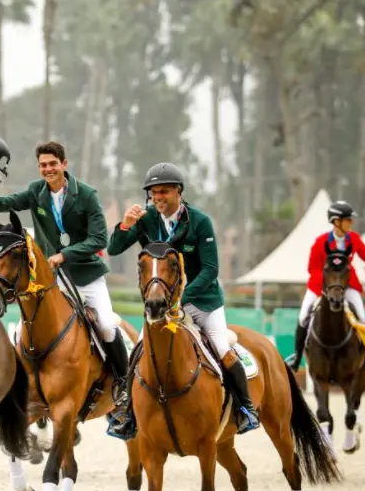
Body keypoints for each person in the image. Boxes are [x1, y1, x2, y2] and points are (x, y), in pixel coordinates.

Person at [106, 162, 260, 440]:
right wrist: (125, 224)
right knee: (138, 352)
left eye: (163, 191)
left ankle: (246, 409)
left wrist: (180, 299)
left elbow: (211, 270)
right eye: (153, 193)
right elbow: (114, 248)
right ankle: (127, 413)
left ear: (178, 192)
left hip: (202, 302)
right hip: (160, 305)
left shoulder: (200, 222)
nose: (157, 197)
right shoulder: (146, 219)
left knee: (222, 348)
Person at [0, 139, 129, 384]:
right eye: (43, 165)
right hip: (50, 279)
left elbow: (98, 239)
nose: (48, 169)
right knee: (29, 329)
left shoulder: (86, 195)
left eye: (53, 163)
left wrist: (65, 254)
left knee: (106, 326)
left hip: (85, 275)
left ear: (64, 164)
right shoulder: (35, 192)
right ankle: (30, 386)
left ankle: (123, 383)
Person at [285, 200, 365, 372]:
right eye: (348, 220)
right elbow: (312, 268)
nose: (351, 223)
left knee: (361, 316)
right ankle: (297, 357)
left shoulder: (354, 239)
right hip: (321, 286)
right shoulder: (320, 242)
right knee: (303, 316)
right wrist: (330, 284)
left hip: (348, 285)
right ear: (336, 221)